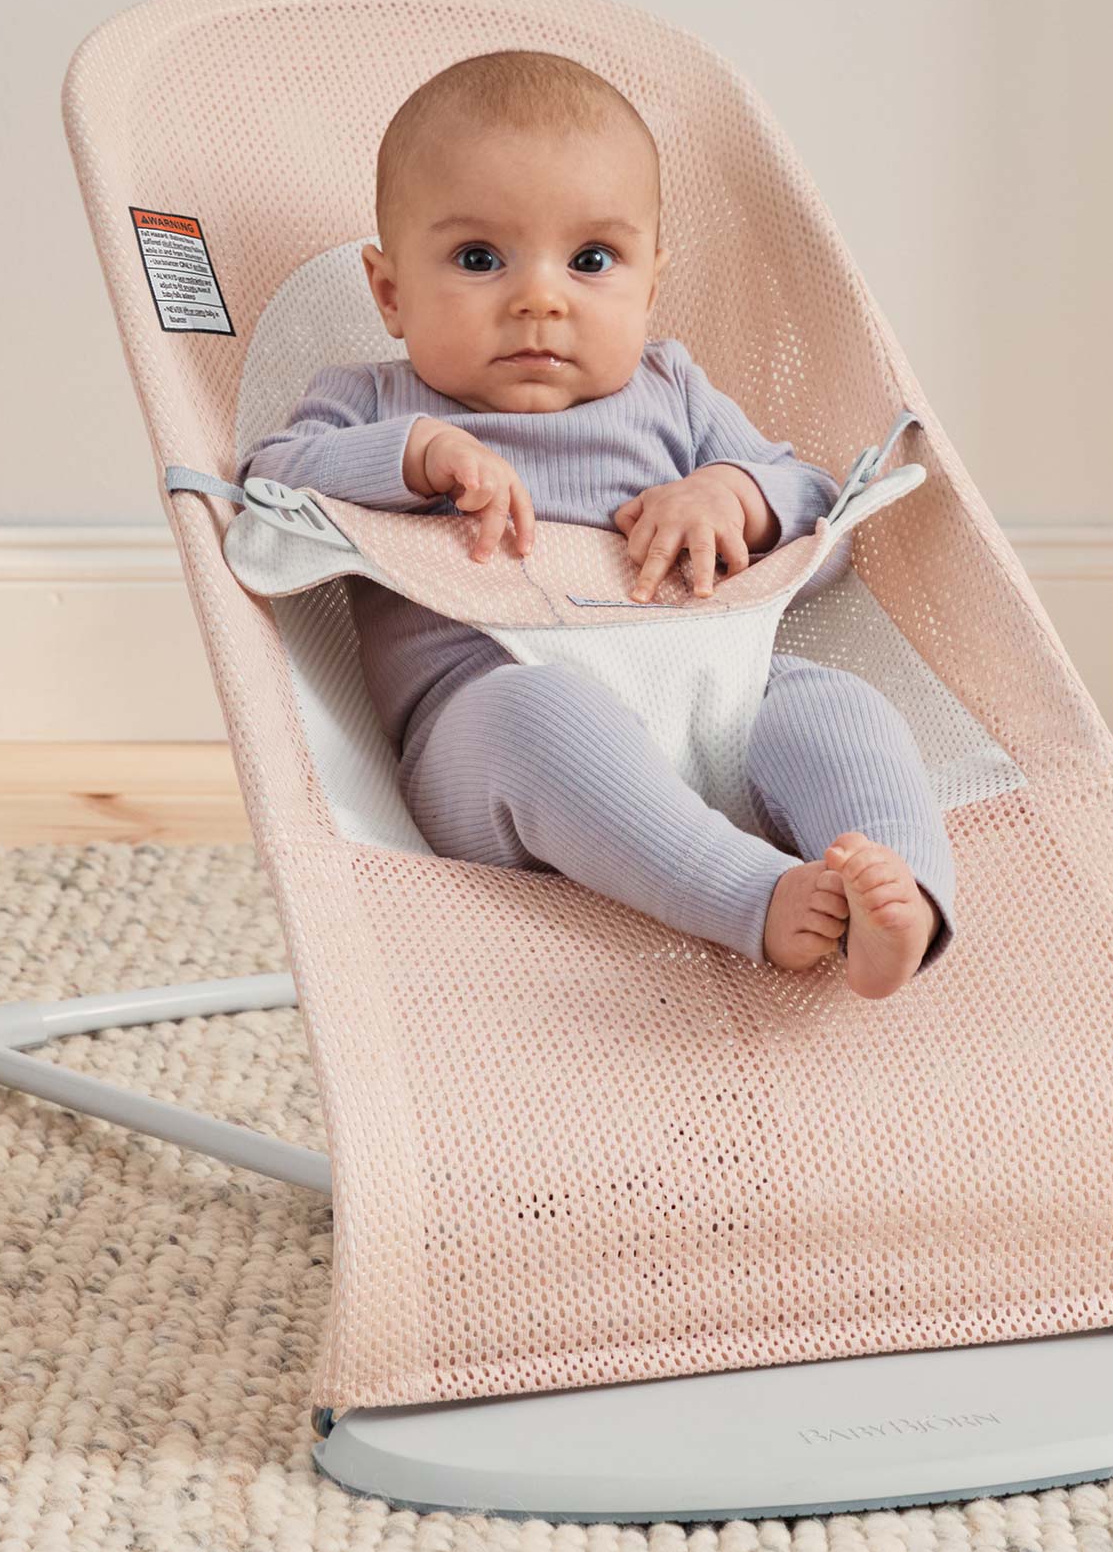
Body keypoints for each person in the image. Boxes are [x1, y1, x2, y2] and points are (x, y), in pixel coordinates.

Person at [239, 49, 957, 997]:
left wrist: (731, 494)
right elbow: (267, 490)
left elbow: (821, 524)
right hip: (488, 730)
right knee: (539, 718)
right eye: (479, 259)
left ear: (649, 285)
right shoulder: (372, 402)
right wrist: (412, 457)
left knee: (833, 704)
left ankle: (897, 891)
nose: (539, 298)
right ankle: (753, 895)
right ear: (390, 293)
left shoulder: (674, 393)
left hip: (716, 697)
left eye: (590, 261)